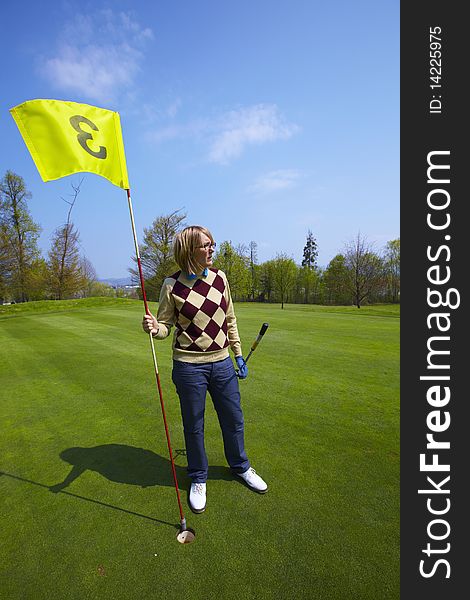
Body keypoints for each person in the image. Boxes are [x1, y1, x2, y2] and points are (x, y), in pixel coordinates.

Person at [142, 225, 268, 513]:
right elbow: (165, 327)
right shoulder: (170, 285)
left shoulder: (220, 278)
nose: (212, 249)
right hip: (188, 367)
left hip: (222, 363)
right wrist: (154, 327)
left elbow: (230, 320)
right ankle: (199, 477)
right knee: (194, 426)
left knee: (233, 418)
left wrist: (237, 355)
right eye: (205, 245)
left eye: (213, 244)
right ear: (189, 250)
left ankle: (241, 466)